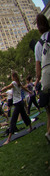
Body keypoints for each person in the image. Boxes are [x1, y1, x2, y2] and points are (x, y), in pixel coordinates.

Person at [0, 71, 34, 145]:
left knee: (13, 120)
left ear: (13, 77)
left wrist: (1, 90)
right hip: (20, 103)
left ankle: (8, 139)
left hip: (18, 104)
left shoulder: (14, 83)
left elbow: (8, 86)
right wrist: (29, 91)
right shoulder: (18, 83)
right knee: (24, 116)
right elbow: (24, 88)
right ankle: (30, 127)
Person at [35, 13, 50, 144]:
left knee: (49, 111)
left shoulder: (38, 45)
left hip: (46, 79)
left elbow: (38, 68)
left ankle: (49, 132)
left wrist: (37, 81)